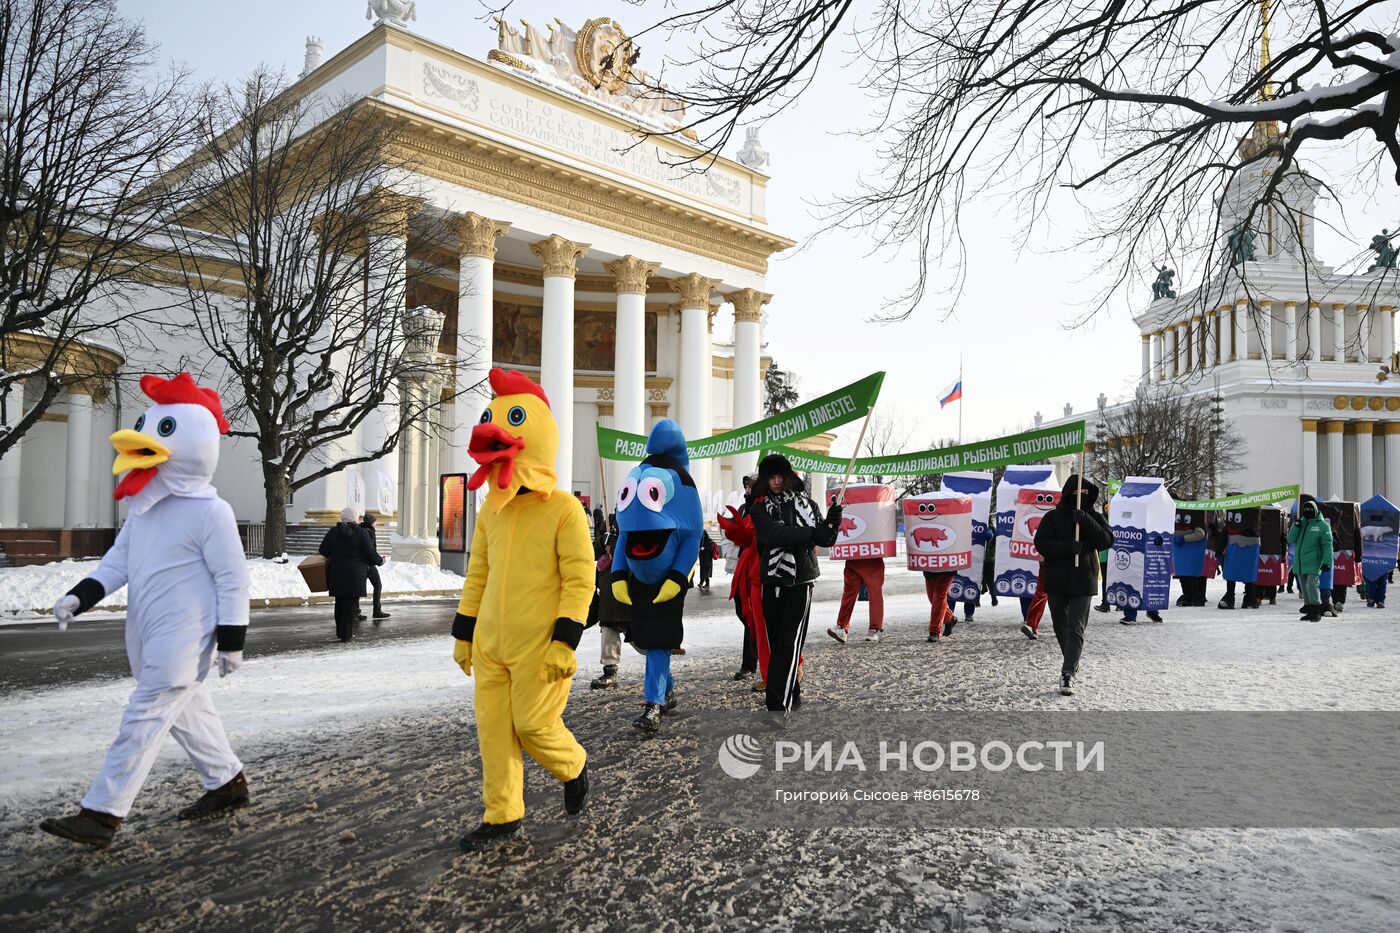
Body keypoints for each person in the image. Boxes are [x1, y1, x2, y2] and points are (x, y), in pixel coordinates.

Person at [40, 374, 251, 848]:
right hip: (148, 634)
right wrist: (80, 596)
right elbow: (117, 564)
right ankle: (228, 783)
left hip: (183, 639)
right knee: (188, 713)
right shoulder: (145, 510)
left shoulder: (210, 513)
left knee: (143, 719)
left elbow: (233, 578)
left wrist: (232, 640)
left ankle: (101, 814)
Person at [452, 369, 594, 852]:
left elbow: (580, 579)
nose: (496, 428)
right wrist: (464, 632)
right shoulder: (492, 509)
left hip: (540, 647)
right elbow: (479, 573)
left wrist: (565, 640)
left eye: (512, 419)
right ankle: (502, 815)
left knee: (532, 725)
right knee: (494, 731)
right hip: (491, 643)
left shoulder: (565, 510)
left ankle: (572, 764)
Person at [609, 420, 703, 732]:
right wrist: (619, 574)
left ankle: (654, 704)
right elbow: (625, 534)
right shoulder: (645, 474)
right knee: (649, 640)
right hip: (638, 581)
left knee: (659, 641)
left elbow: (693, 537)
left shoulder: (682, 482)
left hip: (667, 583)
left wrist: (677, 577)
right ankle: (667, 689)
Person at [750, 454, 840, 714]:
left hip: (801, 581)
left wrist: (833, 520)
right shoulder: (759, 508)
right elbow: (773, 534)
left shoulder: (808, 504)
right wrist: (813, 532)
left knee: (789, 643)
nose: (776, 482)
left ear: (788, 477)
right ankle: (792, 690)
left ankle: (777, 706)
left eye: (780, 476)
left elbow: (826, 539)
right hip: (771, 579)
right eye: (771, 477)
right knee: (778, 643)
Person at [1033, 474, 1113, 696]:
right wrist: (1068, 548)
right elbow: (1041, 544)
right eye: (1078, 493)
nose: (1082, 497)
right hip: (1056, 579)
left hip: (1083, 579)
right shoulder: (1052, 518)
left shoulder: (1093, 516)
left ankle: (1067, 672)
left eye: (1086, 494)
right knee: (1061, 625)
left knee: (1075, 626)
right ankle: (1072, 659)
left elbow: (1107, 540)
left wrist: (1085, 520)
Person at [320, 507, 377, 642]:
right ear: (355, 518)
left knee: (339, 603)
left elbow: (323, 550)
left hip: (336, 573)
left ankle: (340, 632)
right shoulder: (361, 533)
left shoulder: (333, 532)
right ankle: (346, 636)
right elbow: (370, 553)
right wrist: (380, 561)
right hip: (355, 574)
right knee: (350, 605)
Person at [1288, 498, 1334, 622]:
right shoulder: (1300, 523)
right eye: (1305, 509)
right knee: (1304, 586)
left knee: (1312, 584)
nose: (1307, 511)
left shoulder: (1323, 526)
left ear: (1315, 510)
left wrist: (1327, 562)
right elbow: (1290, 539)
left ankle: (1316, 610)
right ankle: (1309, 608)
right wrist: (1295, 526)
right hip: (1300, 561)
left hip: (1314, 561)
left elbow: (1328, 544)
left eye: (1310, 509)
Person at [828, 556, 886, 643]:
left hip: (867, 557)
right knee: (850, 594)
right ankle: (841, 627)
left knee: (874, 595)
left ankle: (875, 629)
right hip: (859, 557)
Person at [357, 512, 389, 622]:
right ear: (371, 522)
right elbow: (370, 550)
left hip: (360, 563)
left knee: (357, 588)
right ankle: (377, 611)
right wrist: (380, 561)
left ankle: (356, 612)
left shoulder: (360, 529)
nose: (376, 524)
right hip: (368, 564)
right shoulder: (369, 532)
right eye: (375, 522)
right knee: (377, 585)